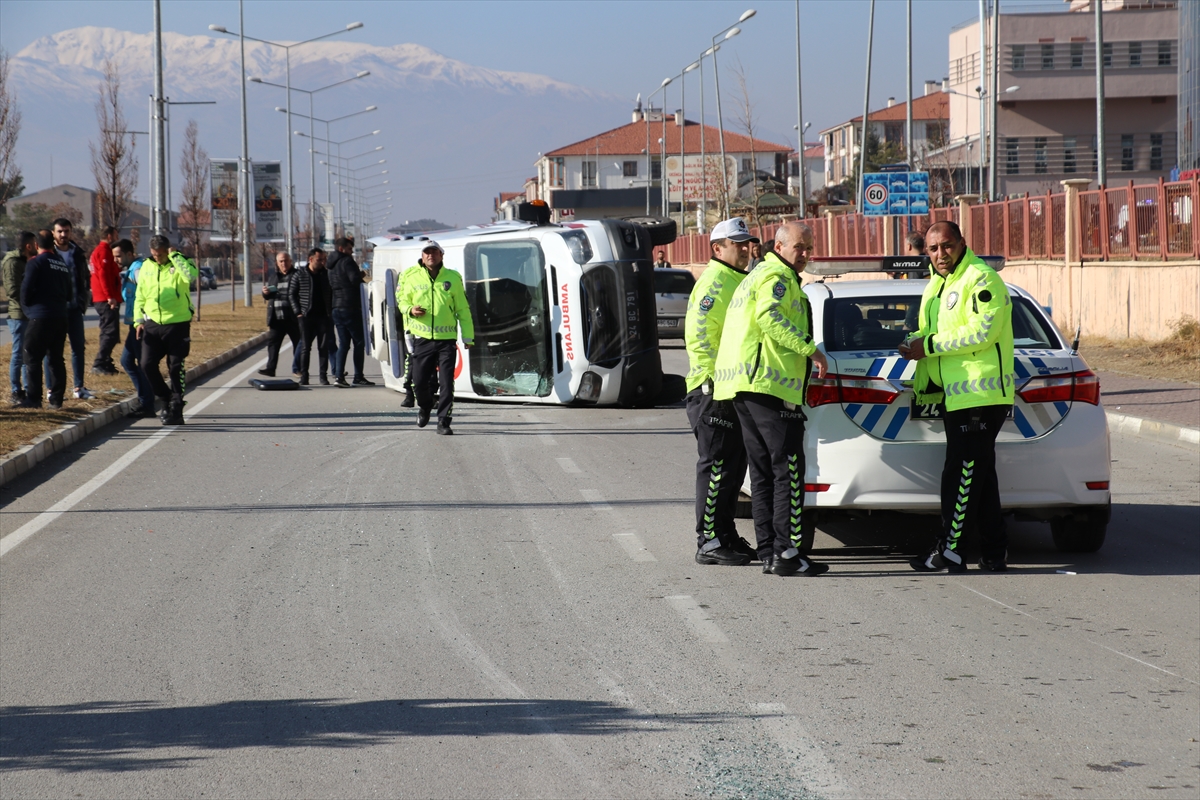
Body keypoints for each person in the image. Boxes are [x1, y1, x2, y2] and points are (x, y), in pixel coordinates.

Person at [712, 220, 830, 577]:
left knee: (763, 472)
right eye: (799, 247)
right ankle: (787, 552)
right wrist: (810, 349)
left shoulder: (757, 275)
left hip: (746, 386)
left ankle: (769, 551)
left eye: (809, 248)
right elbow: (769, 317)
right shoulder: (777, 277)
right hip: (769, 385)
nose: (805, 254)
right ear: (779, 247)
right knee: (788, 470)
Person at [899, 220, 1015, 573]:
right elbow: (933, 330)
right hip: (958, 394)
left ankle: (951, 550)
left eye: (947, 246)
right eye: (933, 249)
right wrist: (913, 341)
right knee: (980, 475)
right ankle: (994, 551)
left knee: (961, 474)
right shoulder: (939, 283)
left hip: (980, 393)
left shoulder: (981, 278)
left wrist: (930, 345)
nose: (941, 254)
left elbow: (983, 331)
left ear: (962, 243)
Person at [685, 217, 757, 566]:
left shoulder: (737, 278)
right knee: (717, 468)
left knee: (732, 469)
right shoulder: (715, 283)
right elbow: (700, 336)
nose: (745, 249)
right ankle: (709, 540)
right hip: (714, 389)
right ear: (717, 248)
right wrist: (715, 382)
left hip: (733, 387)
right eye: (737, 244)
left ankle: (725, 534)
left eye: (746, 243)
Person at [397, 240, 474, 435]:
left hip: (446, 340)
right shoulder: (411, 276)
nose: (431, 255)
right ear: (422, 256)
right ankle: (425, 405)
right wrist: (410, 309)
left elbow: (463, 309)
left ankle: (443, 421)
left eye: (434, 252)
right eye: (427, 252)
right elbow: (402, 301)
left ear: (441, 255)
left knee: (447, 382)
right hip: (422, 338)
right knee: (418, 382)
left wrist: (468, 337)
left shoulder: (453, 278)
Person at [134, 234, 198, 426]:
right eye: (154, 255)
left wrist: (175, 256)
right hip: (153, 323)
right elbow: (140, 294)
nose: (157, 258)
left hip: (177, 323)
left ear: (168, 251)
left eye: (160, 255)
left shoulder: (181, 262)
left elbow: (190, 276)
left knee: (175, 366)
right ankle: (165, 397)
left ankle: (176, 408)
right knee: (146, 364)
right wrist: (138, 320)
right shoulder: (146, 266)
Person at [17, 230, 73, 409]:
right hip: (60, 316)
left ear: (36, 245)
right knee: (56, 359)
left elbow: (25, 292)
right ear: (53, 243)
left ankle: (34, 399)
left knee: (32, 356)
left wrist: (29, 310)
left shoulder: (35, 262)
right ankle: (56, 399)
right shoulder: (61, 263)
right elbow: (70, 294)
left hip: (40, 317)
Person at [49, 218, 93, 399]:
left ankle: (78, 387)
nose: (63, 235)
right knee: (52, 351)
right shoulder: (49, 253)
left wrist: (83, 300)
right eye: (59, 231)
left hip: (74, 308)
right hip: (56, 311)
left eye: (66, 231)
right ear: (53, 233)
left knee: (78, 348)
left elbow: (85, 277)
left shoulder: (77, 253)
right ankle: (51, 389)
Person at [113, 239, 156, 419]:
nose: (116, 260)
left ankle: (147, 403)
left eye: (118, 256)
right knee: (127, 361)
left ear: (129, 254)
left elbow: (148, 293)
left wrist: (143, 321)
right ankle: (145, 398)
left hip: (141, 324)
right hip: (134, 324)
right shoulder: (131, 270)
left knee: (140, 363)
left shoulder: (138, 269)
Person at [327, 236, 374, 388]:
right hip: (350, 306)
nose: (351, 252)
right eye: (349, 249)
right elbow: (354, 280)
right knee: (359, 342)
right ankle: (358, 376)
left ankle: (339, 376)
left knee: (344, 344)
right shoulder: (347, 261)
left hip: (336, 306)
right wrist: (362, 279)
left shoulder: (331, 264)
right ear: (341, 249)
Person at [289, 247, 334, 386]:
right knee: (305, 347)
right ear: (311, 259)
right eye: (319, 260)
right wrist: (298, 312)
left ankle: (323, 376)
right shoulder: (300, 274)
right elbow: (292, 294)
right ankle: (304, 376)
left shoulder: (327, 274)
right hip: (306, 316)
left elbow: (332, 292)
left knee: (323, 347)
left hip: (323, 316)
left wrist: (330, 311)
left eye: (324, 259)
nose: (322, 262)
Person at [2, 231, 36, 406]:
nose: (37, 247)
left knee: (27, 355)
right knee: (18, 355)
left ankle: (29, 390)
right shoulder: (12, 262)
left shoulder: (28, 260)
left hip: (30, 313)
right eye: (35, 244)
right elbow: (13, 291)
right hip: (18, 315)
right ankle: (16, 390)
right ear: (28, 246)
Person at [259, 251, 301, 378]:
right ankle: (270, 368)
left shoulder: (297, 275)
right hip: (277, 318)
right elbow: (269, 296)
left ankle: (298, 369)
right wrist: (265, 293)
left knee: (298, 344)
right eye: (281, 261)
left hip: (293, 318)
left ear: (290, 261)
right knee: (273, 344)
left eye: (286, 260)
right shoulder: (274, 277)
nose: (284, 263)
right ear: (277, 263)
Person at [89, 225, 122, 375]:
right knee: (111, 332)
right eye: (115, 235)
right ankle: (99, 362)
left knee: (107, 330)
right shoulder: (103, 252)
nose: (117, 238)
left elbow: (109, 272)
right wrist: (109, 296)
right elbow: (103, 275)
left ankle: (106, 362)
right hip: (105, 298)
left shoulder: (101, 251)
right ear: (109, 236)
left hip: (102, 297)